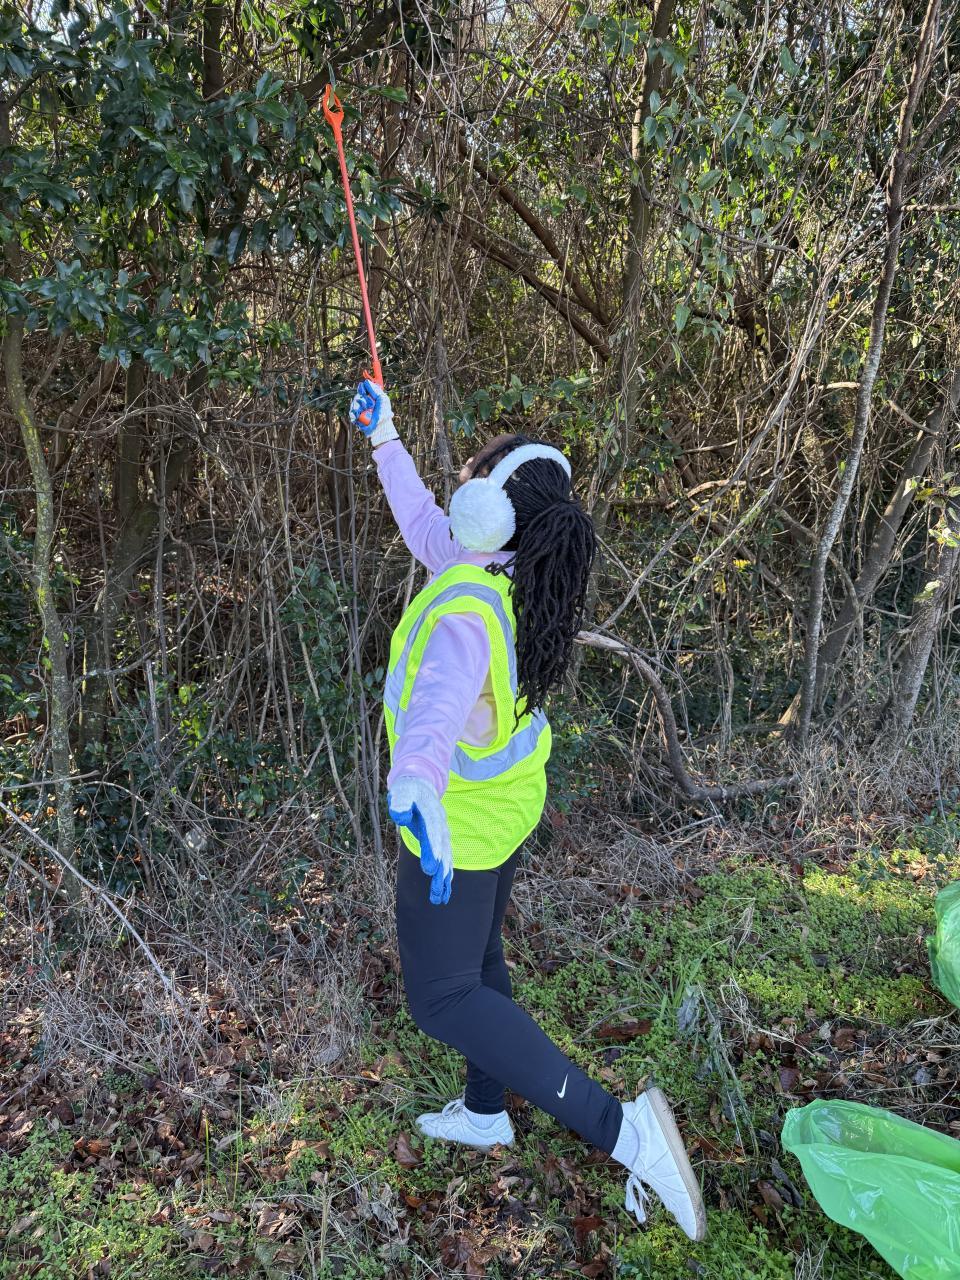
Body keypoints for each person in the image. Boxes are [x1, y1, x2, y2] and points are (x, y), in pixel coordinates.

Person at [349, 378, 706, 1242]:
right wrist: (385, 440)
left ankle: (624, 1131)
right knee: (476, 967)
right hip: (505, 812)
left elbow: (436, 713)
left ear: (490, 510)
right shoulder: (504, 571)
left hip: (458, 831)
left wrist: (414, 786)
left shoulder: (467, 613)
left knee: (441, 998)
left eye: (473, 475)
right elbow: (424, 528)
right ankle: (485, 1111)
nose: (460, 484)